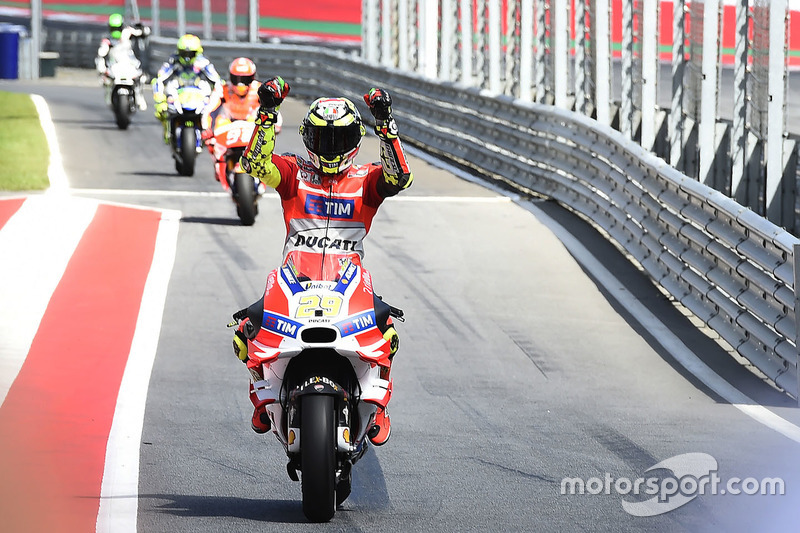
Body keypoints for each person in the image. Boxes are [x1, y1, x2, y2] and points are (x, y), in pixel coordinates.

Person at [233, 76, 413, 446]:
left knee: (388, 333)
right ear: (306, 138)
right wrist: (267, 112)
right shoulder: (293, 173)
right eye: (322, 138)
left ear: (355, 141)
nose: (330, 146)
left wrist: (386, 124)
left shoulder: (366, 180)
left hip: (349, 277)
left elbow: (400, 177)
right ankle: (263, 398)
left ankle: (378, 407)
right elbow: (253, 164)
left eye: (340, 139)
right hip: (294, 275)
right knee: (243, 333)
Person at [151, 34, 221, 143]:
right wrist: (160, 99)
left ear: (197, 52)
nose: (187, 57)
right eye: (184, 53)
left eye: (190, 54)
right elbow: (159, 79)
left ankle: (209, 133)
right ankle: (167, 130)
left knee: (207, 90)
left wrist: (217, 96)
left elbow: (217, 80)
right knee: (162, 107)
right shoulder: (173, 60)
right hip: (179, 92)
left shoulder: (203, 62)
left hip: (197, 94)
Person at [95, 13, 149, 110]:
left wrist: (142, 29)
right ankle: (109, 95)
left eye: (118, 28)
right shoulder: (107, 40)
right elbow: (101, 54)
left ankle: (139, 96)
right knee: (105, 79)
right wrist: (101, 69)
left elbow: (143, 32)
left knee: (141, 77)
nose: (116, 31)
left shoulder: (128, 32)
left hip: (130, 63)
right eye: (113, 28)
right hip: (114, 65)